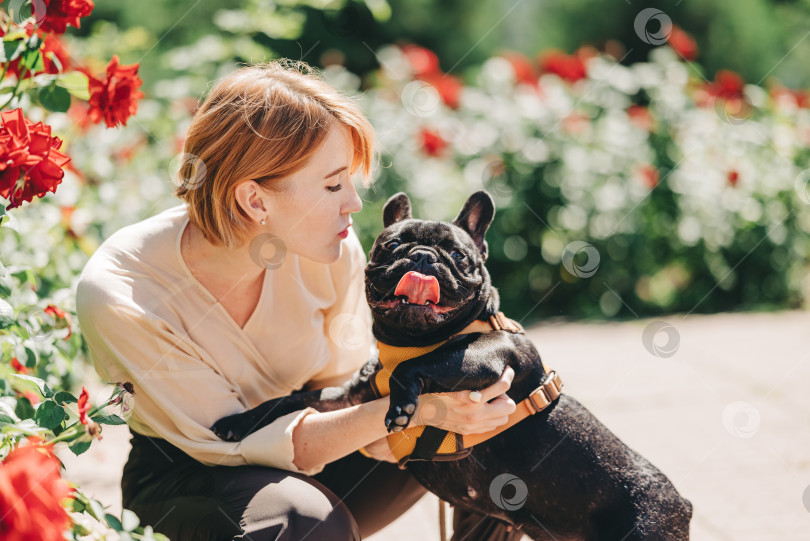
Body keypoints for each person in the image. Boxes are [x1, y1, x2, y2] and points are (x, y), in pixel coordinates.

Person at [75, 59, 521, 541]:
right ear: (255, 201)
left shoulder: (329, 249)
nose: (353, 201)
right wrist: (421, 412)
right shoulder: (123, 290)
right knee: (303, 520)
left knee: (489, 416)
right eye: (332, 184)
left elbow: (347, 397)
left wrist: (449, 410)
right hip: (193, 480)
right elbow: (234, 442)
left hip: (316, 451)